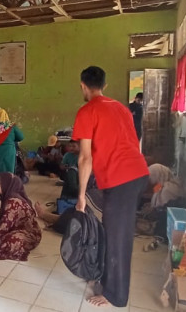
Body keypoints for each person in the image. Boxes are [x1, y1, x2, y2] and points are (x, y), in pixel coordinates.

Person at [72, 66, 150, 308]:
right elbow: (134, 141)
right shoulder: (121, 108)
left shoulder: (86, 111)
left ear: (83, 86)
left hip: (122, 180)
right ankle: (105, 277)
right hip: (136, 173)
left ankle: (115, 295)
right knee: (109, 228)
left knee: (118, 237)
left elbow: (85, 158)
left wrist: (81, 195)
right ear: (104, 86)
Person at [0, 173, 41, 261]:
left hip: (28, 234)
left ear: (6, 185)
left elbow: (3, 228)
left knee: (11, 241)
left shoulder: (13, 202)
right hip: (14, 229)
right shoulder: (8, 197)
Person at [0, 108, 24, 176]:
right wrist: (11, 140)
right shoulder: (11, 127)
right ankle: (9, 185)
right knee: (9, 173)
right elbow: (21, 137)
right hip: (9, 153)